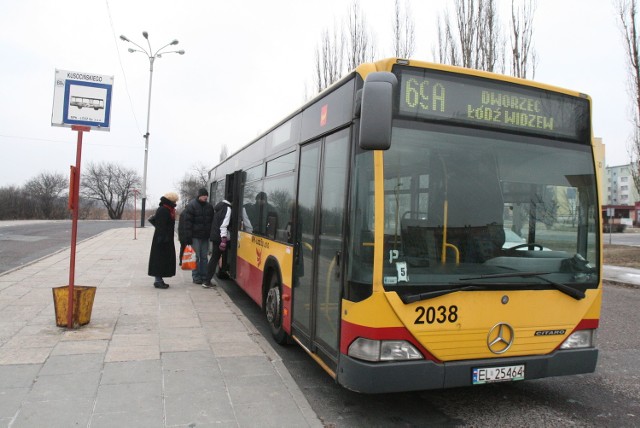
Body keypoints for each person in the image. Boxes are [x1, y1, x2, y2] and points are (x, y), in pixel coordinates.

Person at [183, 188, 214, 284]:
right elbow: (187, 223)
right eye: (204, 195)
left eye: (206, 195)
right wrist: (188, 237)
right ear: (199, 195)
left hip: (205, 236)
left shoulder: (209, 207)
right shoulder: (192, 205)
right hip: (195, 236)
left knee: (204, 257)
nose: (206, 197)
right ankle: (196, 276)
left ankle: (204, 275)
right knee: (196, 257)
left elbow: (212, 221)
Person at [148, 192, 179, 289]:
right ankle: (158, 280)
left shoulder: (168, 209)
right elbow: (161, 225)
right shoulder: (164, 210)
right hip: (161, 240)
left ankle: (159, 279)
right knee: (159, 260)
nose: (175, 202)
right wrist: (163, 238)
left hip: (165, 239)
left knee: (163, 260)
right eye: (175, 200)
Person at [202, 198, 232, 288]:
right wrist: (223, 239)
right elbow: (224, 225)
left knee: (214, 258)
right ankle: (207, 281)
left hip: (215, 236)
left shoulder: (220, 207)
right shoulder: (228, 209)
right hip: (219, 237)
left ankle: (206, 279)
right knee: (215, 259)